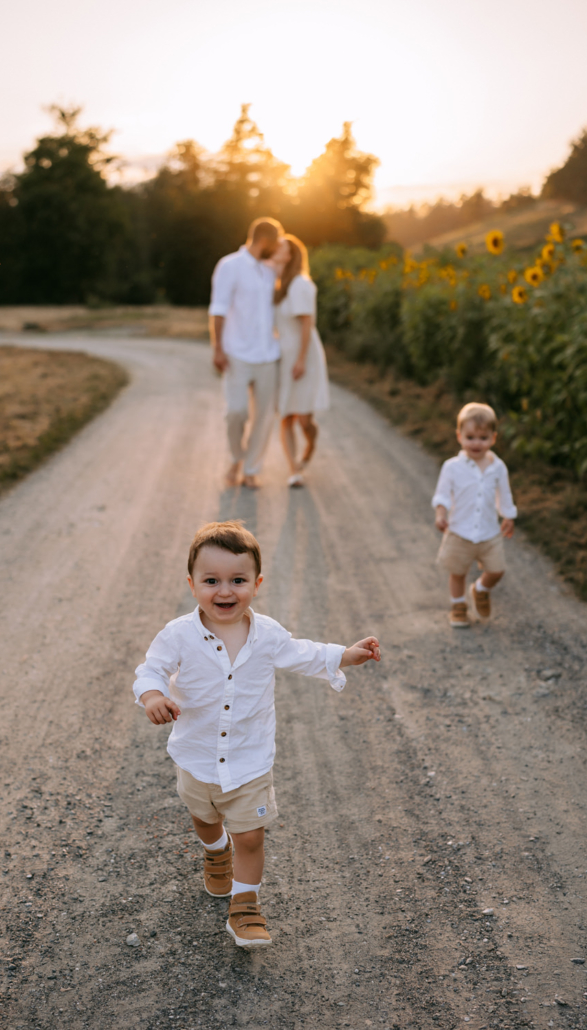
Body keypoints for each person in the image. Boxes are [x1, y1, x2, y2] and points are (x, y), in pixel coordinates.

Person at [132, 520, 380, 948]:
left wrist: (345, 654)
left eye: (237, 580)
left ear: (257, 583)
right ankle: (214, 851)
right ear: (191, 584)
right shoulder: (178, 635)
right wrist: (153, 695)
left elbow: (303, 652)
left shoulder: (266, 634)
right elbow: (151, 669)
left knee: (251, 836)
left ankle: (244, 908)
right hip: (196, 755)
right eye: (211, 580)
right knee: (204, 818)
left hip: (249, 760)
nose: (224, 591)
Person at [209, 218, 283, 490]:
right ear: (264, 241)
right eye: (274, 244)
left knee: (264, 417)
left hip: (268, 355)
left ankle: (251, 469)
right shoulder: (229, 266)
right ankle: (235, 458)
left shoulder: (269, 271)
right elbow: (217, 309)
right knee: (236, 412)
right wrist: (217, 348)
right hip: (237, 353)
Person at [432, 402, 517, 628]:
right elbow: (442, 495)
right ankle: (458, 607)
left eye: (483, 437)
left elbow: (504, 494)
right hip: (459, 530)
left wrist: (508, 516)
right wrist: (441, 513)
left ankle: (481, 589)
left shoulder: (498, 467)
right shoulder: (451, 467)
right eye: (470, 437)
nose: (476, 443)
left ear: (493, 438)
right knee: (457, 571)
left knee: (497, 569)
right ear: (459, 436)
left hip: (490, 531)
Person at [269, 234, 330, 487]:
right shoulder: (277, 284)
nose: (274, 248)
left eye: (280, 246)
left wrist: (301, 359)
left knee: (304, 418)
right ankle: (294, 470)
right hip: (282, 355)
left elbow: (307, 323)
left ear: (291, 254)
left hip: (303, 354)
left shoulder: (300, 284)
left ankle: (311, 445)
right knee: (286, 414)